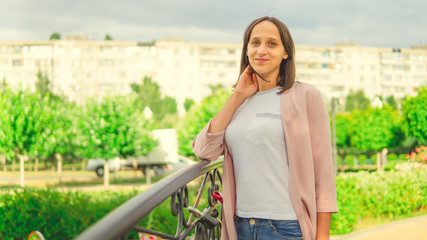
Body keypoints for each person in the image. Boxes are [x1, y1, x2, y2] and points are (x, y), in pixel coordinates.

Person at [192, 16, 338, 240]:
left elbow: (324, 175)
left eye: (272, 43)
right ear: (247, 50)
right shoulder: (240, 102)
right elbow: (203, 150)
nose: (262, 50)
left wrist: (323, 236)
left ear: (285, 52)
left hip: (286, 227)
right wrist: (237, 96)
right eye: (255, 43)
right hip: (240, 226)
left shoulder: (306, 96)